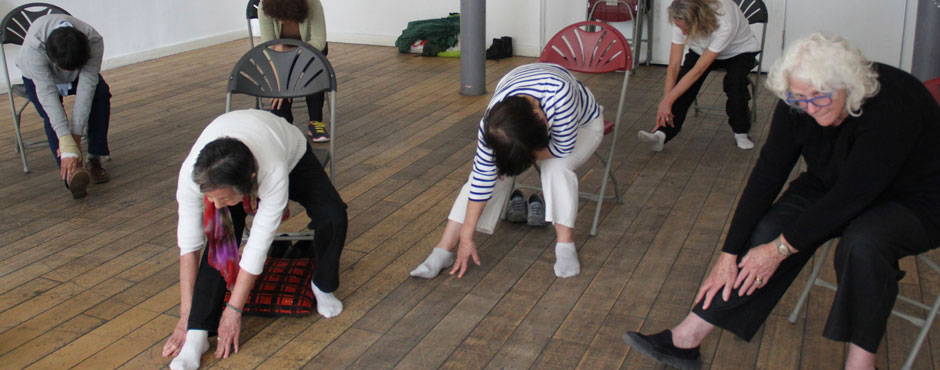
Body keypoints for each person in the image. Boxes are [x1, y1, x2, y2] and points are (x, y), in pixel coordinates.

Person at [624, 33, 940, 370]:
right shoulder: (798, 100)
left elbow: (853, 196)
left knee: (862, 243)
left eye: (816, 98)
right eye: (797, 98)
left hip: (914, 198)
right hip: (832, 183)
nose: (806, 107)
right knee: (772, 227)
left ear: (847, 85)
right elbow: (766, 177)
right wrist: (729, 253)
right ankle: (686, 339)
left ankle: (860, 365)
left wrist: (779, 250)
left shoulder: (892, 103)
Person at [162, 110, 348, 370]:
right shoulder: (193, 176)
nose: (216, 205)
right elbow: (189, 247)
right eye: (212, 198)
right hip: (232, 173)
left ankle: (322, 285)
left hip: (289, 153)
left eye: (222, 199)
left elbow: (258, 246)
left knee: (333, 215)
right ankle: (198, 334)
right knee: (220, 240)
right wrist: (185, 319)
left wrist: (234, 311)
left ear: (250, 183)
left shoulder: (272, 170)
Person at [409, 63, 603, 280]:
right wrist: (467, 233)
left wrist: (514, 159)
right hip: (523, 136)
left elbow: (561, 148)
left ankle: (565, 245)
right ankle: (444, 249)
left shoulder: (561, 95)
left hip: (582, 126)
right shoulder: (493, 123)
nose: (550, 126)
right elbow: (482, 178)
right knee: (487, 172)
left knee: (556, 166)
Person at [637, 0, 760, 152]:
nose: (682, 33)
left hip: (738, 51)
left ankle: (741, 132)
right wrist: (666, 102)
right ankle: (661, 134)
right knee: (682, 85)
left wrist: (667, 101)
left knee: (734, 83)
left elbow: (698, 71)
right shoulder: (680, 16)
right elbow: (673, 67)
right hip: (702, 48)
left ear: (698, 20)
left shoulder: (724, 23)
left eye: (685, 29)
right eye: (679, 28)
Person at [18, 14, 111, 199]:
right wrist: (67, 142)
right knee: (51, 115)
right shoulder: (35, 48)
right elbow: (47, 95)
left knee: (100, 93)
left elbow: (87, 87)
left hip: (78, 74)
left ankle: (93, 157)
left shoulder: (93, 40)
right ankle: (71, 173)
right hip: (38, 77)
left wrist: (76, 134)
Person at [259, 0, 330, 142]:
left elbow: (319, 41)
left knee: (314, 66)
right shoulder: (264, 6)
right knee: (279, 81)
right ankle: (283, 123)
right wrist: (281, 80)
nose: (280, 21)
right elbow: (268, 46)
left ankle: (315, 122)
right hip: (279, 55)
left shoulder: (312, 3)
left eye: (284, 17)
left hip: (310, 51)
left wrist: (289, 55)